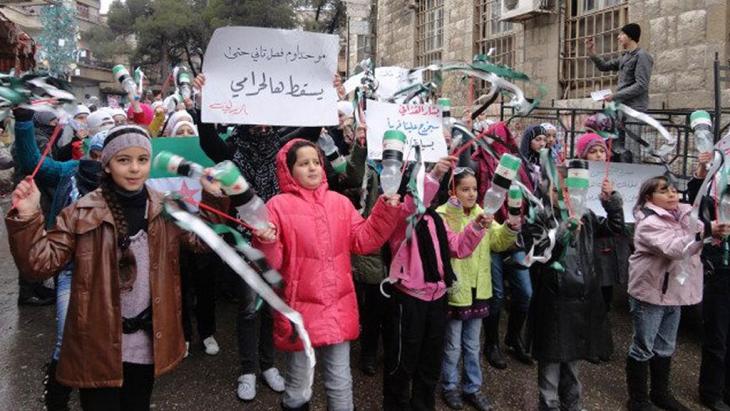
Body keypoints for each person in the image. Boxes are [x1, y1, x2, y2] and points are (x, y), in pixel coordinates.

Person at [6, 124, 226, 410]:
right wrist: (27, 217)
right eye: (124, 160)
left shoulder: (167, 209)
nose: (134, 168)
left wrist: (213, 198)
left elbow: (201, 243)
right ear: (107, 164)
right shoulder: (79, 212)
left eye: (142, 160)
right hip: (96, 347)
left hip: (146, 346)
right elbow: (39, 264)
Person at [252, 139, 402, 411]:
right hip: (299, 310)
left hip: (336, 306)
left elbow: (363, 240)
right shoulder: (276, 206)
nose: (312, 168)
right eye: (303, 163)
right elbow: (269, 262)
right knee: (298, 384)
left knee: (340, 381)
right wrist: (265, 240)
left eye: (316, 162)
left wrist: (385, 209)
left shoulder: (340, 203)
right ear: (288, 170)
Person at [12, 107, 106, 411]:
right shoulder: (69, 172)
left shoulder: (128, 185)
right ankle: (56, 397)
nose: (101, 161)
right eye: (97, 153)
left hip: (109, 271)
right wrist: (25, 123)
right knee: (66, 339)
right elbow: (32, 163)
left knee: (108, 341)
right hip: (69, 269)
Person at [382, 156, 491, 411]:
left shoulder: (436, 219)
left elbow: (457, 248)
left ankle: (423, 405)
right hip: (409, 299)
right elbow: (414, 203)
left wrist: (475, 227)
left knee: (429, 362)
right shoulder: (401, 216)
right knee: (402, 362)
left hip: (437, 299)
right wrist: (435, 173)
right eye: (418, 182)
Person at [523, 165, 623, 411]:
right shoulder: (542, 217)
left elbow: (613, 228)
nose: (567, 194)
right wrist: (562, 232)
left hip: (581, 299)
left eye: (573, 189)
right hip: (553, 300)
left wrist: (613, 203)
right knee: (551, 359)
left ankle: (573, 402)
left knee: (573, 358)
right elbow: (539, 253)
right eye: (561, 189)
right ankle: (549, 403)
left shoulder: (587, 216)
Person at [436, 167, 519, 411]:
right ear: (453, 191)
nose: (471, 194)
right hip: (456, 290)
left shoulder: (484, 213)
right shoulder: (445, 216)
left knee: (472, 344)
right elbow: (453, 246)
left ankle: (472, 387)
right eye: (465, 189)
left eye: (474, 189)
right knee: (452, 345)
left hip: (479, 290)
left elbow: (498, 242)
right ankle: (449, 386)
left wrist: (510, 227)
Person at [626, 176, 707, 411]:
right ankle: (638, 399)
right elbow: (675, 248)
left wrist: (706, 228)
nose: (673, 195)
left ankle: (661, 393)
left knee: (665, 346)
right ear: (649, 198)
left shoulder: (683, 215)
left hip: (675, 292)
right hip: (651, 292)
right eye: (664, 191)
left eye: (674, 190)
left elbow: (701, 231)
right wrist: (702, 234)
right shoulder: (649, 222)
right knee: (643, 345)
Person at [473, 122, 537, 368]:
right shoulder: (479, 164)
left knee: (525, 293)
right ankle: (492, 343)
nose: (494, 145)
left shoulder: (516, 166)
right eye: (491, 139)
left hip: (514, 236)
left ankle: (513, 337)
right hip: (489, 236)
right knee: (496, 295)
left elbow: (530, 195)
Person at [575, 133, 632, 362]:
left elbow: (617, 222)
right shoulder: (577, 177)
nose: (599, 155)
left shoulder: (613, 178)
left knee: (604, 297)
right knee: (589, 296)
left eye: (601, 151)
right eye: (593, 151)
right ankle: (587, 342)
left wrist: (612, 199)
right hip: (589, 246)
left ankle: (598, 340)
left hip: (610, 245)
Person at [687, 152, 730, 411]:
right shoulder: (715, 188)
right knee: (717, 334)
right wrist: (702, 171)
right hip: (720, 268)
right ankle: (711, 391)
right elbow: (691, 208)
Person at [587, 23, 654, 161]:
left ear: (630, 37)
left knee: (631, 147)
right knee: (617, 146)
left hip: (634, 110)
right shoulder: (625, 56)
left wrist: (615, 96)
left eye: (622, 34)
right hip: (620, 108)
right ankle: (619, 177)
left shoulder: (642, 56)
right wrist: (592, 52)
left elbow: (641, 85)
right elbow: (604, 66)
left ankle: (633, 178)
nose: (618, 37)